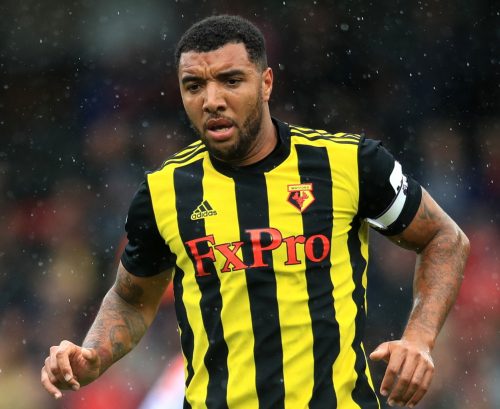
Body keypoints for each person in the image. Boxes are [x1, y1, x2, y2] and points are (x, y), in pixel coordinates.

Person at [41, 15, 470, 409]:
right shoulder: (163, 193)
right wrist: (94, 353)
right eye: (194, 86)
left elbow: (445, 238)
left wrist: (419, 339)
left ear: (266, 83)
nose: (212, 100)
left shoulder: (349, 164)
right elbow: (131, 298)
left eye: (231, 80)